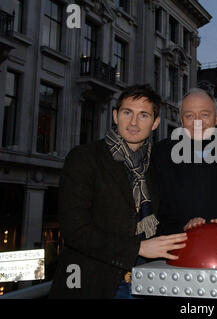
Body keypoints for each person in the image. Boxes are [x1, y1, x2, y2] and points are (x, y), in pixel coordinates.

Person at [49, 85, 187, 298]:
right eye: (127, 113)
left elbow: (161, 221)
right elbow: (75, 230)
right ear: (115, 116)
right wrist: (138, 248)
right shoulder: (84, 158)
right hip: (94, 284)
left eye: (143, 115)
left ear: (155, 123)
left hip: (146, 283)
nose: (133, 122)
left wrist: (190, 224)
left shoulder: (154, 166)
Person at [150, 88, 217, 235]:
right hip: (174, 245)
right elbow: (153, 211)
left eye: (205, 115)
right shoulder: (160, 154)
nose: (197, 122)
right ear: (182, 120)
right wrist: (182, 228)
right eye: (190, 115)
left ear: (216, 118)